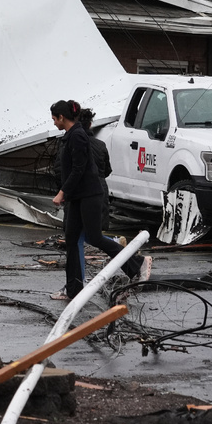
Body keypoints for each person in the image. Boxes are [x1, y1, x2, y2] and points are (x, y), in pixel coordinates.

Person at [50, 100, 151, 300]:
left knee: (95, 237)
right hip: (78, 197)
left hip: (89, 196)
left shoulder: (78, 136)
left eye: (54, 119)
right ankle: (74, 290)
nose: (53, 123)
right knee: (71, 239)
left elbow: (79, 168)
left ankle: (136, 264)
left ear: (62, 117)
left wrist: (62, 192)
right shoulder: (72, 135)